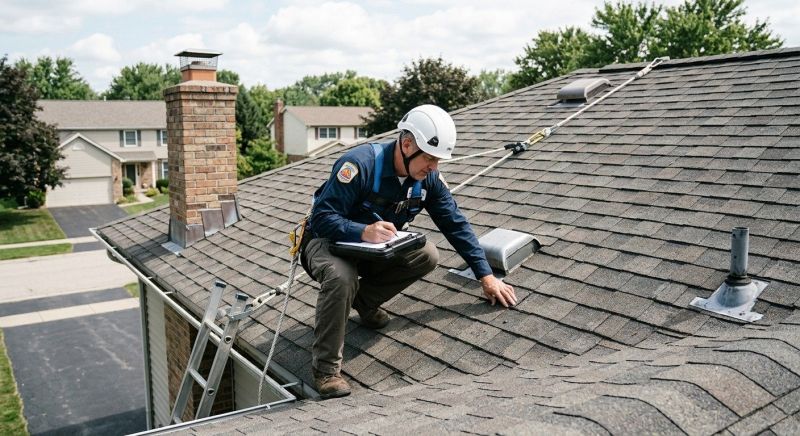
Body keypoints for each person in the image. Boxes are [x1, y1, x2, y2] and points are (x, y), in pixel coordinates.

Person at [302, 104, 516, 398]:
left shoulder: (428, 179)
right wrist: (362, 231)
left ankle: (363, 303)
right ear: (406, 145)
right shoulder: (359, 165)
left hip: (374, 251)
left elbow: (455, 224)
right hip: (328, 243)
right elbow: (322, 218)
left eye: (439, 160)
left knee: (426, 254)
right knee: (341, 278)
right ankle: (326, 371)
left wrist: (486, 276)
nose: (434, 167)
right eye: (430, 158)